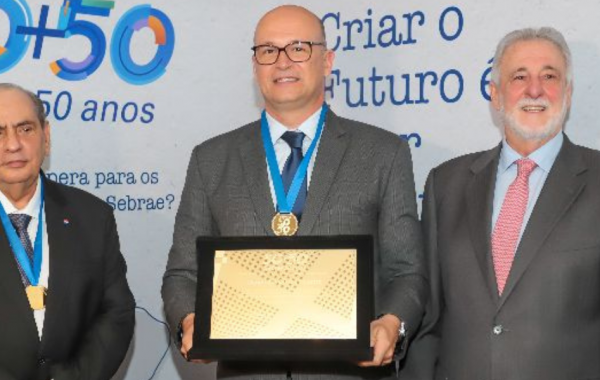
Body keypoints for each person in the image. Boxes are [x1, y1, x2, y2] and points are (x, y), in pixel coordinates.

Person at [162, 4, 426, 379]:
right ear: (255, 67)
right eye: (268, 51)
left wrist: (392, 324)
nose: (282, 62)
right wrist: (189, 320)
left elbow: (407, 271)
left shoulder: (383, 153)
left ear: (327, 61)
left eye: (298, 48)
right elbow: (182, 274)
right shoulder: (211, 159)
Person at [401, 27, 600, 380]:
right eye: (519, 76)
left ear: (567, 93)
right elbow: (427, 320)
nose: (534, 89)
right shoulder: (445, 184)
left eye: (549, 76)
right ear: (495, 94)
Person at [0, 83, 135, 380]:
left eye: (25, 129)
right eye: (0, 132)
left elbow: (116, 313)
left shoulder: (92, 216)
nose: (13, 144)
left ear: (45, 137)